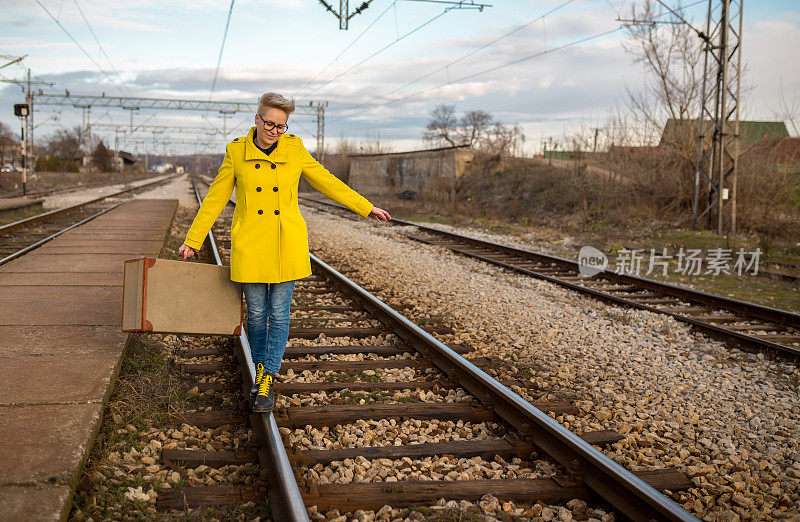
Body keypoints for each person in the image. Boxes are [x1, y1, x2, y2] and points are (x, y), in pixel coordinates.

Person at [178, 92, 391, 412]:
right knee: (257, 315)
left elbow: (328, 182)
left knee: (278, 315)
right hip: (251, 245)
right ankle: (261, 368)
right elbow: (215, 199)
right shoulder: (237, 152)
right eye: (269, 123)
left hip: (286, 244)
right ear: (257, 119)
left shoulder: (294, 149)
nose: (274, 131)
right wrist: (194, 240)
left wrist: (365, 207)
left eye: (281, 126)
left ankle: (266, 375)